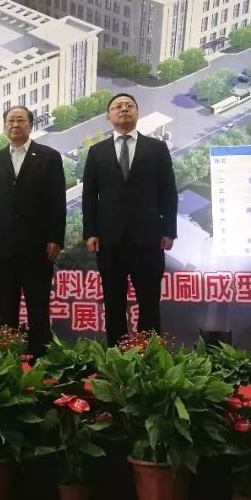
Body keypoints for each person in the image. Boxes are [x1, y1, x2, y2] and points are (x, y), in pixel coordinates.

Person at [82, 93, 177, 346]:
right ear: (108, 116)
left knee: (149, 301)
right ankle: (117, 353)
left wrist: (169, 231)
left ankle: (149, 354)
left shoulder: (156, 148)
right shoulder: (97, 151)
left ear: (137, 112)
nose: (123, 109)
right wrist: (91, 232)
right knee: (113, 301)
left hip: (149, 238)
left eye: (129, 106)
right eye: (117, 106)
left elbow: (168, 191)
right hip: (110, 240)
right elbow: (89, 196)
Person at [0, 106, 65, 357]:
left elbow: (57, 201)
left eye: (20, 120)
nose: (15, 125)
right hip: (3, 246)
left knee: (38, 306)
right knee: (7, 307)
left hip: (38, 246)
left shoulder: (48, 157)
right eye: (10, 121)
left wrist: (55, 237)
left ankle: (42, 360)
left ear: (31, 125)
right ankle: (7, 359)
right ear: (4, 126)